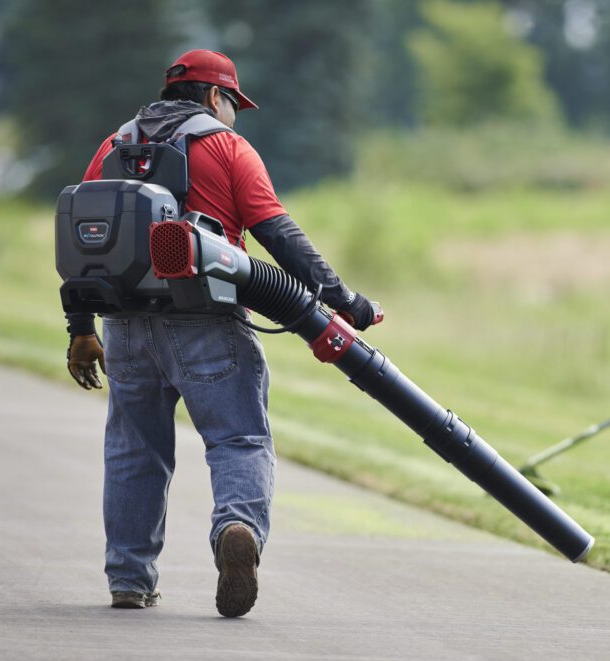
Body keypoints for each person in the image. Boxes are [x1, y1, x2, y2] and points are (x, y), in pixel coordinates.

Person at [64, 49, 380, 616]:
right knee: (239, 440)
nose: (236, 115)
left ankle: (129, 579)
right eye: (235, 103)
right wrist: (344, 302)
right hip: (207, 321)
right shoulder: (228, 147)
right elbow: (278, 234)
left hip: (125, 327)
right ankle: (237, 528)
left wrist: (80, 329)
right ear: (216, 96)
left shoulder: (114, 145)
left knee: (133, 451)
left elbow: (84, 240)